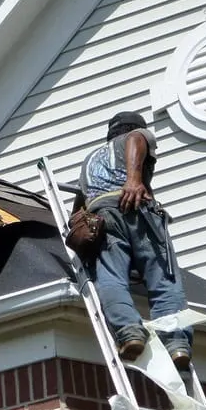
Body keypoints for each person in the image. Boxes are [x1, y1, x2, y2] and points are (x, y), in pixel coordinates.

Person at [78, 111, 192, 369]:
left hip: (102, 216)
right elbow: (137, 140)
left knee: (110, 276)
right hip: (135, 209)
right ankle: (176, 343)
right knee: (163, 278)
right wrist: (133, 179)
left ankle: (129, 331)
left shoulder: (88, 161)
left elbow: (80, 204)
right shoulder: (135, 137)